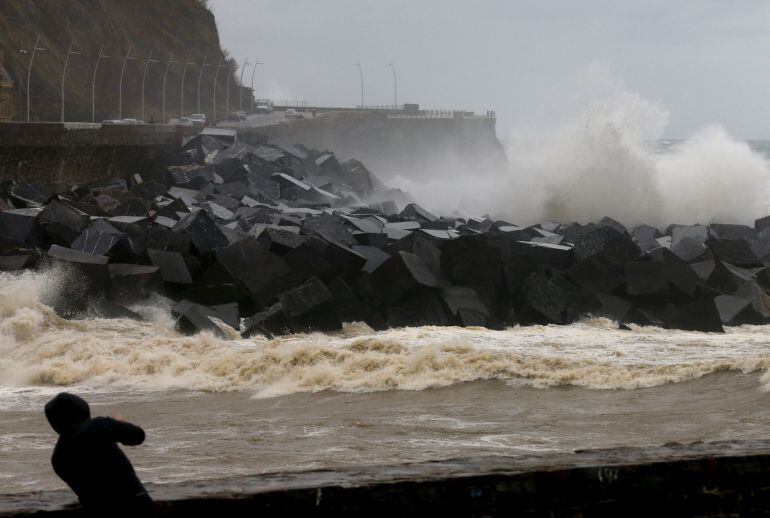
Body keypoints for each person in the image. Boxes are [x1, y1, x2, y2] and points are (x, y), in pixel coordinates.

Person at [44, 393, 153, 516]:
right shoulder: (99, 425)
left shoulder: (57, 457)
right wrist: (118, 423)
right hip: (135, 504)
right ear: (83, 408)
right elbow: (137, 436)